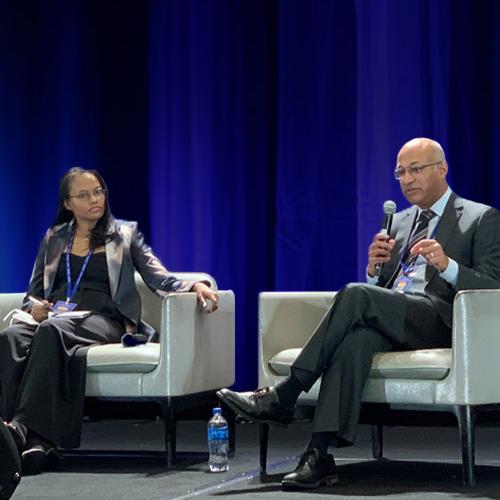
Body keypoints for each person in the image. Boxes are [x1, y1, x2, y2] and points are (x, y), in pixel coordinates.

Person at [217, 137, 500, 490]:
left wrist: (448, 265)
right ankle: (318, 455)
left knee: (353, 294)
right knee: (355, 340)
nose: (407, 179)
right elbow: (383, 291)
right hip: (396, 317)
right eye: (401, 172)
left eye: (416, 169)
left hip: (442, 322)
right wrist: (372, 270)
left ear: (442, 169)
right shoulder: (398, 221)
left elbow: (493, 284)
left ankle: (285, 394)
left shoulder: (479, 217)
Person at [0, 167, 218, 475]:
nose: (94, 200)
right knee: (11, 336)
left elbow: (159, 278)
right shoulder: (53, 238)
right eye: (84, 195)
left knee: (52, 330)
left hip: (106, 319)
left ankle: (21, 429)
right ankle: (29, 443)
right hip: (58, 318)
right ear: (67, 204)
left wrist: (194, 285)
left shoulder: (124, 235)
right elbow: (32, 294)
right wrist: (35, 308)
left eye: (99, 192)